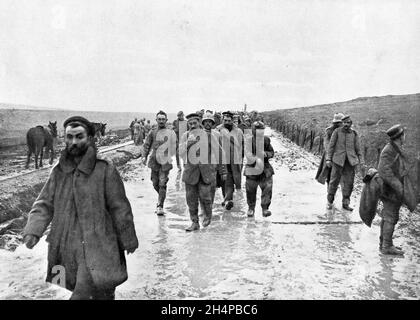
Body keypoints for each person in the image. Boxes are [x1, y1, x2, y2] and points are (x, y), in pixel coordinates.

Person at [23, 116, 138, 300]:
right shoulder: (59, 171)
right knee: (100, 292)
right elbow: (44, 203)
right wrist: (33, 230)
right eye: (69, 137)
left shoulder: (104, 169)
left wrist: (128, 238)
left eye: (79, 137)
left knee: (82, 294)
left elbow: (120, 207)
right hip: (67, 244)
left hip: (98, 244)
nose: (73, 142)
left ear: (90, 138)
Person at [179, 113, 226, 231]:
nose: (192, 125)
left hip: (206, 171)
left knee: (206, 197)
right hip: (190, 172)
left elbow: (220, 153)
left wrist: (223, 171)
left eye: (194, 123)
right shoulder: (185, 136)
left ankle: (207, 215)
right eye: (190, 124)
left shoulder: (209, 136)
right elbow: (180, 153)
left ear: (199, 123)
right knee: (191, 199)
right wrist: (187, 144)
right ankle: (194, 222)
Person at [377, 124, 407, 255]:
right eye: (403, 135)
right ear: (399, 137)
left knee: (387, 215)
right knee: (391, 216)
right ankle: (387, 246)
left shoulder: (395, 148)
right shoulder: (389, 150)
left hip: (390, 189)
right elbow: (384, 171)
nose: (405, 137)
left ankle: (384, 243)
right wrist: (399, 187)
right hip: (390, 190)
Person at [326, 115, 365, 211]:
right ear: (342, 123)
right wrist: (328, 159)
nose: (346, 124)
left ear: (351, 124)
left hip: (350, 163)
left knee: (349, 184)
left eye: (348, 123)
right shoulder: (337, 132)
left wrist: (362, 162)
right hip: (337, 162)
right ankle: (330, 202)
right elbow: (331, 146)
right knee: (333, 182)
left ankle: (345, 204)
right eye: (344, 123)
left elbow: (358, 149)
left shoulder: (354, 134)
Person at [142, 110, 176, 215]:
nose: (161, 121)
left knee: (162, 183)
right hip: (154, 161)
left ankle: (160, 205)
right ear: (156, 120)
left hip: (165, 162)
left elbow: (175, 144)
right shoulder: (152, 132)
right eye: (159, 119)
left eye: (163, 119)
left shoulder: (171, 132)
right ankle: (161, 196)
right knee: (155, 183)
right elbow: (146, 145)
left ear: (166, 120)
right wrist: (144, 156)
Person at [244, 121, 275, 217]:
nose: (259, 132)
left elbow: (271, 152)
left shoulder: (266, 140)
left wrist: (266, 154)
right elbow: (248, 153)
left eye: (261, 130)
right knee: (250, 190)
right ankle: (251, 208)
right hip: (252, 168)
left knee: (267, 189)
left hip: (265, 169)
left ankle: (265, 208)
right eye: (257, 130)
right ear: (253, 130)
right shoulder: (248, 140)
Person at [216, 111, 244, 210]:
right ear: (222, 120)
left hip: (235, 159)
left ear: (232, 120)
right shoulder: (218, 130)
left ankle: (228, 199)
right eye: (225, 120)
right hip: (223, 159)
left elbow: (242, 145)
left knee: (233, 179)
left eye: (229, 120)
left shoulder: (238, 131)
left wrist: (241, 159)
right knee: (225, 180)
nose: (227, 122)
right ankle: (228, 199)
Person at [315, 113, 344, 191]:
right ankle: (330, 190)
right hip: (330, 155)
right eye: (340, 122)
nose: (341, 124)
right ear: (337, 123)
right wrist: (331, 154)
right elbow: (326, 143)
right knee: (329, 173)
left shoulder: (344, 131)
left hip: (340, 155)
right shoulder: (329, 131)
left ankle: (334, 188)